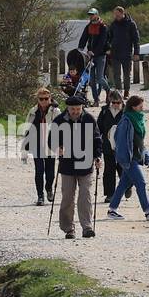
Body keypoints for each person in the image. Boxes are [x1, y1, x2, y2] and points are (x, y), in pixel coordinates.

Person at [49, 95, 102, 238]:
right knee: (68, 197)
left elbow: (97, 139)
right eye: (73, 109)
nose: (76, 112)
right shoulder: (59, 121)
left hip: (86, 165)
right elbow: (50, 140)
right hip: (67, 166)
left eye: (78, 109)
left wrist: (98, 156)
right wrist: (57, 148)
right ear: (67, 108)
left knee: (85, 195)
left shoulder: (89, 119)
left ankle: (87, 227)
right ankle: (68, 228)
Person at [105, 95, 149, 221]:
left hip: (135, 157)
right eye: (140, 106)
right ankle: (148, 211)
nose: (143, 108)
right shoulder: (126, 121)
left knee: (123, 185)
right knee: (141, 183)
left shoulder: (139, 119)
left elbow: (140, 141)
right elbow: (121, 142)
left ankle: (112, 210)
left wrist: (146, 155)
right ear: (133, 107)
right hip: (128, 158)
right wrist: (124, 159)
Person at [21, 88, 61, 207]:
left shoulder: (55, 111)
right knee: (39, 171)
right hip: (36, 143)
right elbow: (27, 127)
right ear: (37, 99)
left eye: (46, 99)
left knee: (50, 173)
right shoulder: (33, 111)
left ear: (50, 98)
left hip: (51, 144)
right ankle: (40, 196)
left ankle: (48, 189)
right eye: (41, 99)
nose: (44, 101)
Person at [96, 89, 125, 200]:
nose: (116, 105)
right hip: (108, 145)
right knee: (109, 169)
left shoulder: (126, 111)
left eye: (118, 102)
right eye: (113, 102)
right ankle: (110, 194)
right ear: (109, 101)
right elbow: (98, 128)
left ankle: (127, 187)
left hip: (123, 146)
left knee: (123, 168)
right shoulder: (104, 111)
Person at [77, 9, 111, 105]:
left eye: (92, 15)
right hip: (90, 56)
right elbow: (84, 38)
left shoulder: (103, 27)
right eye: (90, 15)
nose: (91, 16)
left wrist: (94, 52)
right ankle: (96, 100)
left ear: (97, 15)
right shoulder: (89, 26)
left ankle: (109, 91)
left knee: (100, 78)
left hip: (100, 55)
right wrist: (80, 48)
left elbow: (102, 42)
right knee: (91, 81)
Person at [107, 6, 140, 97]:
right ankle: (119, 91)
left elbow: (136, 39)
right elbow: (109, 37)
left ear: (122, 13)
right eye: (115, 15)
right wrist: (108, 47)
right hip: (115, 53)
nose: (116, 17)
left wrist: (136, 52)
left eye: (117, 15)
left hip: (127, 53)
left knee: (127, 75)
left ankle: (126, 91)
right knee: (116, 74)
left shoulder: (131, 24)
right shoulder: (113, 24)